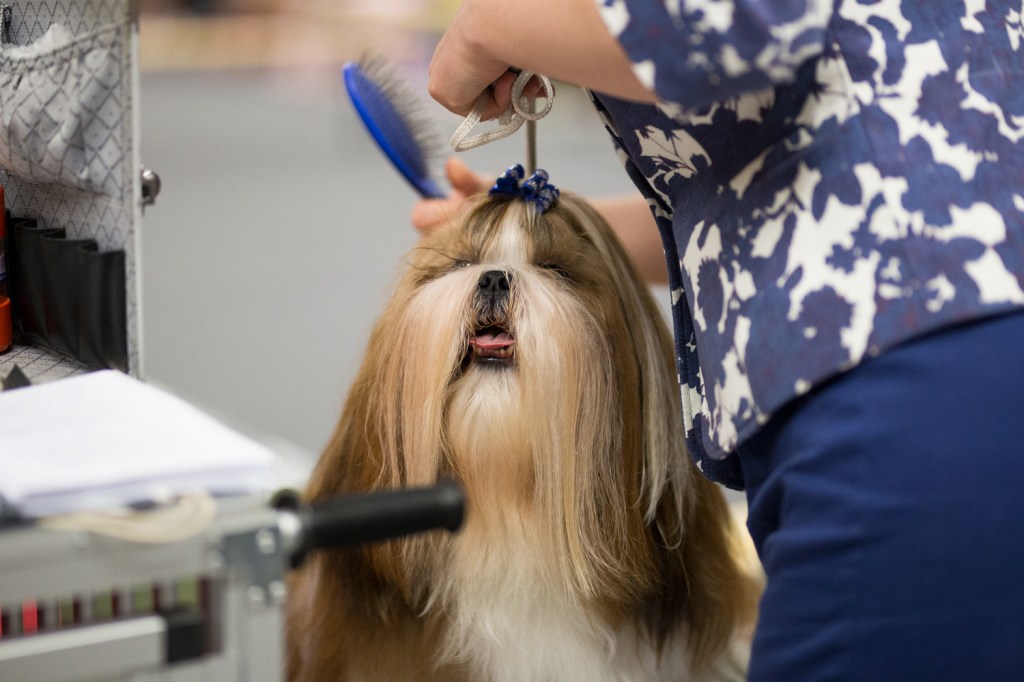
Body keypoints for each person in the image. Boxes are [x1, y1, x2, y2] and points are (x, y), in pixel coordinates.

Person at [416, 1, 1024, 679]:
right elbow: (755, 208)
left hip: (911, 381)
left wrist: (490, 23)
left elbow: (742, 21)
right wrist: (554, 243)